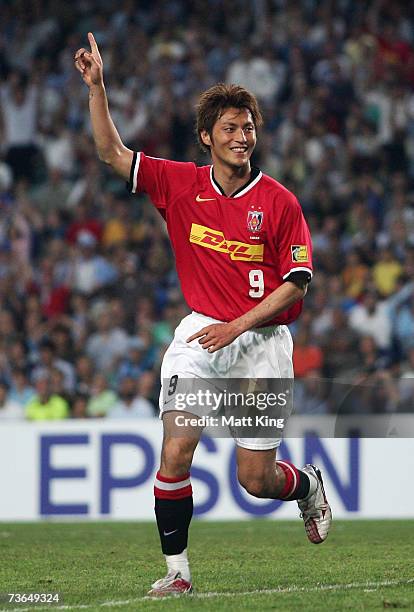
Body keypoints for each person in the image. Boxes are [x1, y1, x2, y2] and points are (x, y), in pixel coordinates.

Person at [75, 33, 332, 597]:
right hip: (201, 335)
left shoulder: (281, 202)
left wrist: (239, 326)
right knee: (176, 447)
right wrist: (98, 89)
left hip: (262, 343)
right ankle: (178, 574)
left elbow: (295, 286)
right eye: (231, 129)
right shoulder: (179, 183)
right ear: (206, 138)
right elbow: (112, 154)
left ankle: (305, 484)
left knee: (255, 480)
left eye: (248, 128)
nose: (243, 137)